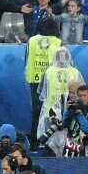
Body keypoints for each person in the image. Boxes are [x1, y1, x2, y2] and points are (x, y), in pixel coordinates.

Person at [25, 20, 63, 150]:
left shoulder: (31, 40)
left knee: (37, 111)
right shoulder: (58, 42)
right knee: (53, 111)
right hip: (52, 81)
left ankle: (35, 144)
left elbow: (26, 59)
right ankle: (50, 144)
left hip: (34, 80)